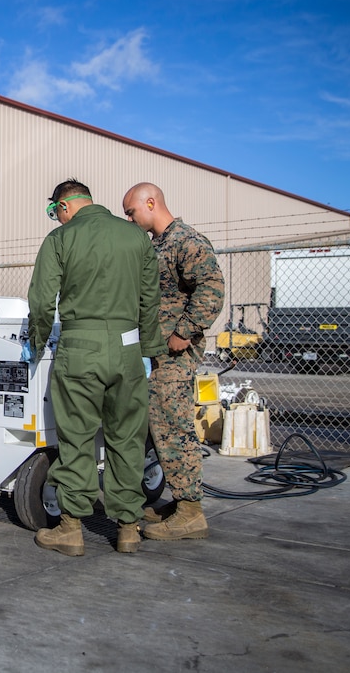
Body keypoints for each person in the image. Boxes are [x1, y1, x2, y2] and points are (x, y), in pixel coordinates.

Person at [27, 179, 166, 556]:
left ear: (65, 206)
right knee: (127, 440)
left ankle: (70, 529)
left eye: (54, 212)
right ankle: (128, 529)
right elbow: (149, 300)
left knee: (76, 439)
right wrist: (149, 349)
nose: (56, 218)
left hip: (79, 350)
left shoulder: (60, 240)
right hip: (128, 349)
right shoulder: (137, 239)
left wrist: (36, 342)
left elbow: (41, 301)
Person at [121, 182, 224, 540]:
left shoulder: (185, 241)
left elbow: (211, 288)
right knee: (159, 426)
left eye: (131, 212)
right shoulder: (157, 245)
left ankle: (191, 511)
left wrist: (184, 331)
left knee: (173, 427)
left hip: (175, 353)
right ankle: (181, 502)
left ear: (151, 203)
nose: (129, 219)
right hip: (156, 352)